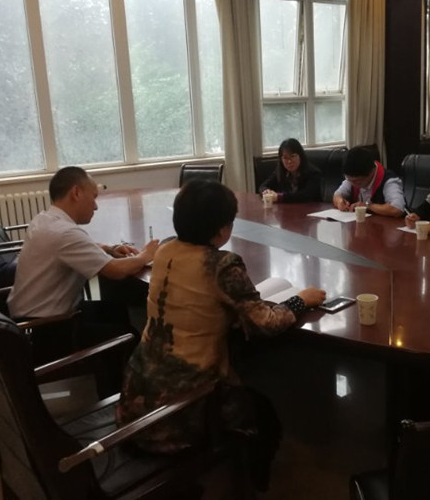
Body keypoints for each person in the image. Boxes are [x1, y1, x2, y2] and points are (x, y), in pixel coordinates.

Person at [116, 179, 326, 497]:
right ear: (222, 230)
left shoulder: (166, 250)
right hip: (179, 410)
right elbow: (265, 323)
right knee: (264, 416)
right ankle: (247, 487)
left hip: (136, 395)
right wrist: (301, 300)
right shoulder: (221, 265)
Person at [8, 166, 159, 390]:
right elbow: (115, 271)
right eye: (94, 197)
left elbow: (75, 247)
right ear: (76, 193)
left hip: (33, 321)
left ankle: (114, 383)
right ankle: (120, 399)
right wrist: (147, 255)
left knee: (116, 310)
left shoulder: (46, 219)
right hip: (51, 332)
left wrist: (109, 248)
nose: (96, 206)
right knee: (126, 336)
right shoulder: (65, 233)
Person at [332, 146, 405, 217]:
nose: (353, 184)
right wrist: (340, 202)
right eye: (349, 179)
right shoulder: (352, 177)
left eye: (358, 181)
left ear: (372, 172)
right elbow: (337, 195)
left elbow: (397, 209)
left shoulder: (389, 180)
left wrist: (367, 206)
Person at [259, 138, 322, 203]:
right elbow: (263, 186)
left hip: (311, 208)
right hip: (288, 208)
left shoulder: (313, 173)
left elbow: (305, 196)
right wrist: (267, 192)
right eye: (285, 158)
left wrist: (279, 197)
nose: (289, 161)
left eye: (292, 156)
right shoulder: (280, 172)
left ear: (300, 156)